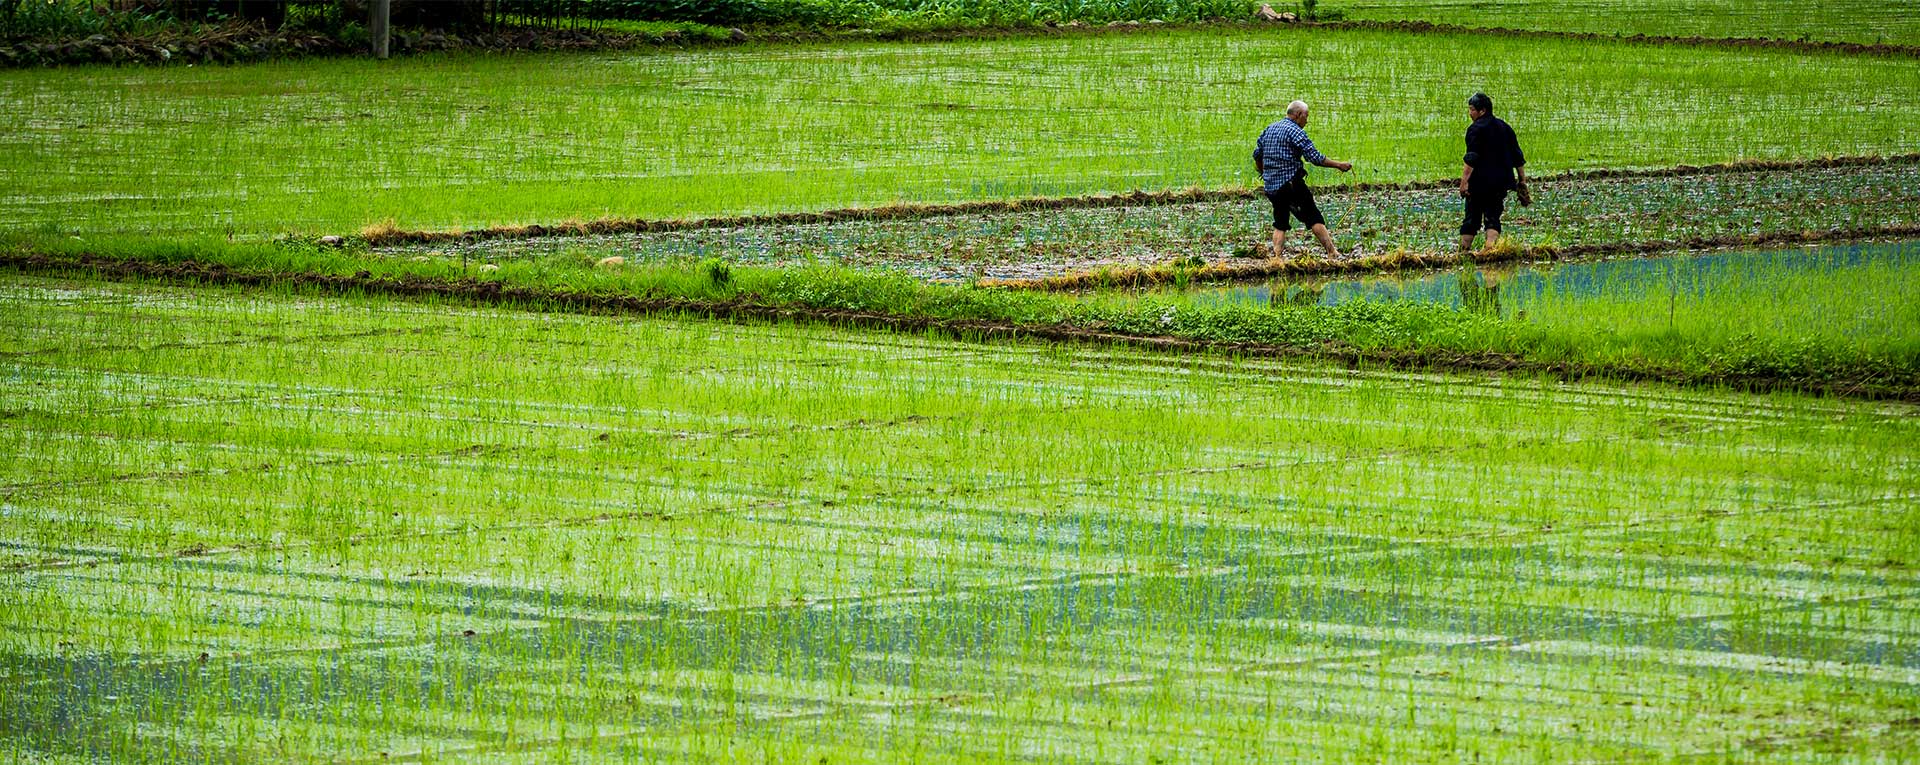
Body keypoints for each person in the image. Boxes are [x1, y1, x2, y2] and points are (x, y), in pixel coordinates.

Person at [1253, 100, 1353, 260]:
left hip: (1272, 187)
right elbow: (1315, 157)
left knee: (1280, 222)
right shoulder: (1295, 131)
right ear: (1298, 115)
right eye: (1306, 116)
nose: (1307, 120)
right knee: (1314, 217)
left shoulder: (1270, 129)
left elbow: (1257, 155)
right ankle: (1332, 252)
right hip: (1291, 184)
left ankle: (1277, 258)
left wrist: (1264, 173)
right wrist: (1338, 165)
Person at [1458, 92, 1528, 252]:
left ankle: (1463, 253)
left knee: (1471, 219)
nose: (1470, 113)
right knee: (1492, 217)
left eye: (1472, 109)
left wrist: (1464, 182)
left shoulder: (1475, 129)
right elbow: (1518, 157)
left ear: (1482, 111)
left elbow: (1471, 158)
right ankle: (1490, 252)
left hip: (1479, 183)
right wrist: (1522, 181)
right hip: (1500, 183)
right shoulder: (1505, 127)